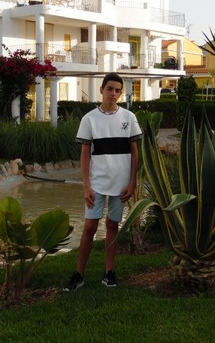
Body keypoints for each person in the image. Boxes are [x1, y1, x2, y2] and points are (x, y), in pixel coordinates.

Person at [63, 73, 142, 291]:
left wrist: (132, 182)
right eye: (110, 89)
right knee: (90, 226)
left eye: (117, 90)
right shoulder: (89, 119)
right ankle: (79, 274)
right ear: (101, 89)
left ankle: (109, 272)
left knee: (112, 225)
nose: (113, 94)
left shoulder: (129, 117)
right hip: (96, 184)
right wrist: (86, 186)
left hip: (121, 185)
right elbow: (85, 155)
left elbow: (134, 152)